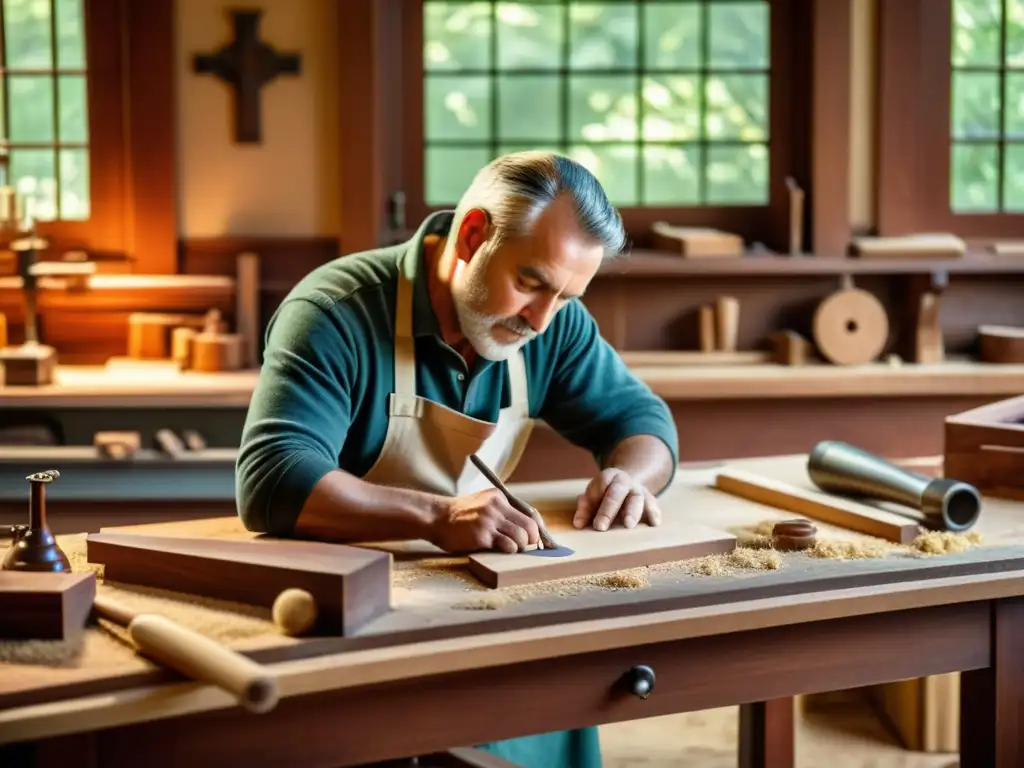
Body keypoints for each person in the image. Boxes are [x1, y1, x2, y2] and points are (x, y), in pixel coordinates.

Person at [235, 150, 679, 768]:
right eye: (530, 283)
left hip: (484, 600)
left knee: (560, 689)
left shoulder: (554, 324)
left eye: (565, 297)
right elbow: (275, 478)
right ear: (472, 236)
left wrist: (631, 476)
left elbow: (644, 423)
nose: (541, 320)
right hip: (352, 617)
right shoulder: (336, 311)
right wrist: (436, 517)